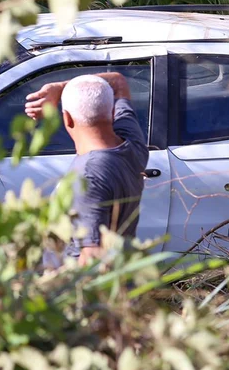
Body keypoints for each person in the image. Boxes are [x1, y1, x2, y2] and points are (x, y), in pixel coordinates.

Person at [25, 72, 148, 264]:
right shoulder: (133, 144)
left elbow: (93, 259)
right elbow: (119, 81)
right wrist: (62, 88)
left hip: (74, 288)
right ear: (112, 112)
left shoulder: (88, 177)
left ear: (67, 119)